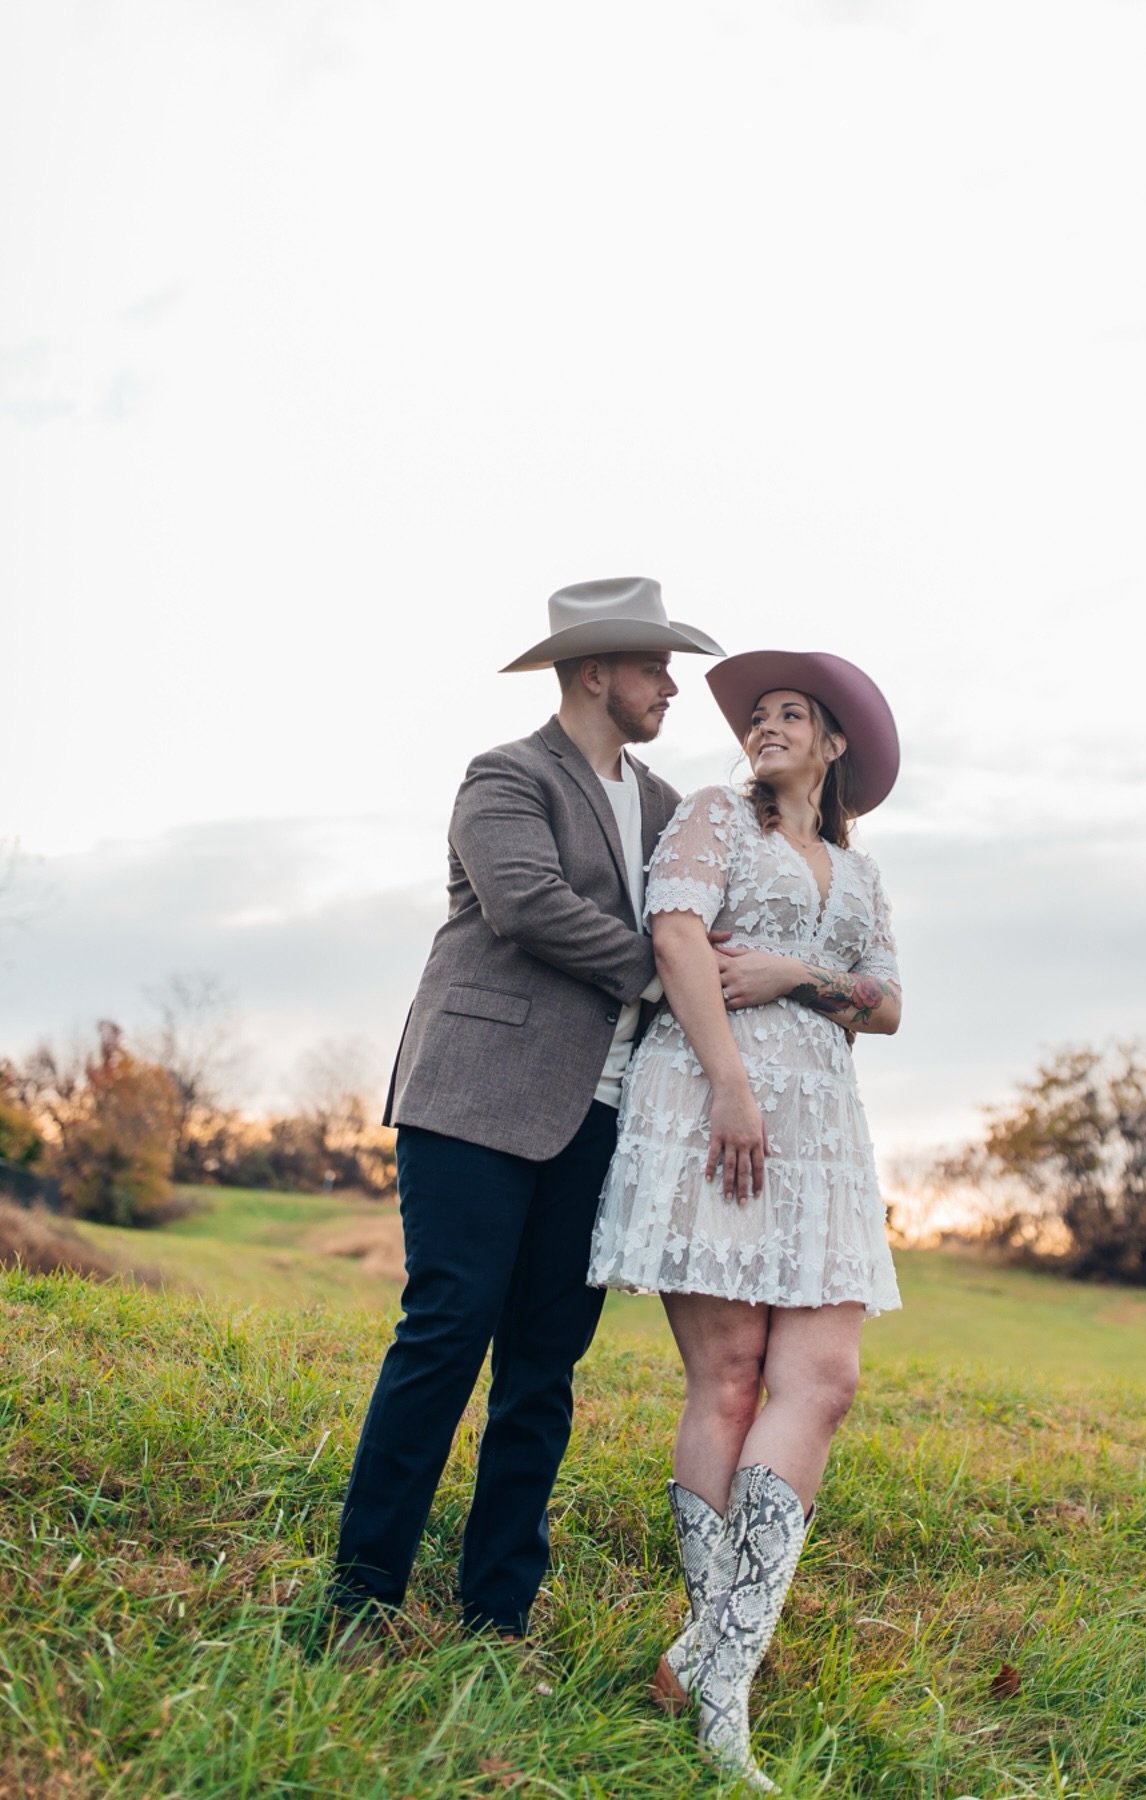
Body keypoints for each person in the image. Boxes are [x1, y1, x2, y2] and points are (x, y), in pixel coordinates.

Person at [330, 576, 724, 1647]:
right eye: (655, 666)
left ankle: (493, 1616)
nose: (672, 687)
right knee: (447, 1333)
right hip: (477, 1098)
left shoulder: (669, 809)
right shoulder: (504, 777)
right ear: (596, 670)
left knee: (544, 1368)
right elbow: (528, 905)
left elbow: (708, 928)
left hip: (603, 1121)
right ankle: (359, 1601)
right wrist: (668, 974)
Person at [588, 649, 903, 1790]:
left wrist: (798, 975)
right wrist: (729, 1081)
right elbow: (677, 939)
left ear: (833, 748)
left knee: (822, 1380)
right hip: (710, 1104)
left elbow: (890, 1003)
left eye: (792, 715)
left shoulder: (862, 880)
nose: (767, 726)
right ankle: (725, 1694)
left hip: (825, 1139)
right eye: (757, 714)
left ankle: (709, 1658)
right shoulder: (716, 815)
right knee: (726, 1379)